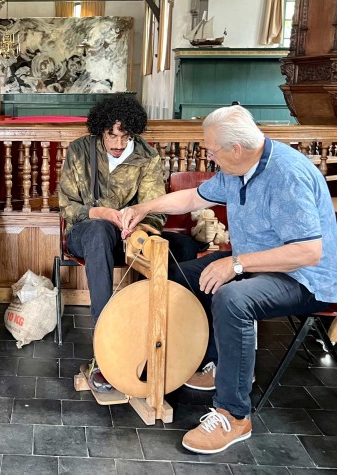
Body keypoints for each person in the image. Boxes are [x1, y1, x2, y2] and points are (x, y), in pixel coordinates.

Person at [122, 105, 337, 454]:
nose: (208, 156)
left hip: (305, 278)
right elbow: (194, 196)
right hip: (259, 261)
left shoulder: (287, 175)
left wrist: (236, 264)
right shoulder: (237, 167)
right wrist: (144, 208)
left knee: (232, 298)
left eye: (211, 150)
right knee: (181, 277)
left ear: (235, 149)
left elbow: (308, 253)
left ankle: (234, 415)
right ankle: (218, 363)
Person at [58, 94, 199, 390]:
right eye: (112, 134)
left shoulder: (147, 157)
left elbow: (155, 209)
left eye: (126, 135)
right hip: (85, 232)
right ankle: (106, 340)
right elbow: (67, 206)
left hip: (129, 235)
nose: (119, 143)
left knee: (184, 248)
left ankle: (174, 342)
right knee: (97, 232)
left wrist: (139, 226)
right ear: (101, 130)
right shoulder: (80, 150)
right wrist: (100, 212)